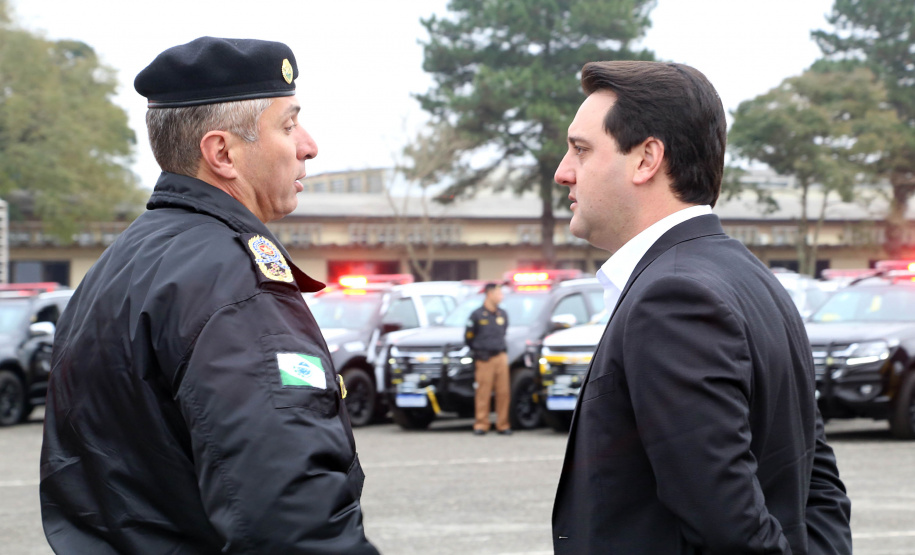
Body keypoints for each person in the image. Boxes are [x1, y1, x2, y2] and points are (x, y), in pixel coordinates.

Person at [39, 37, 378, 554]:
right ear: (222, 153)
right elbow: (289, 520)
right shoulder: (230, 282)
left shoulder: (122, 262)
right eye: (287, 125)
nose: (309, 145)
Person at [551, 61, 852, 554]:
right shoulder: (752, 278)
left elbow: (730, 531)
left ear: (646, 159)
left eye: (581, 150)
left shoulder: (672, 299)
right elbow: (817, 490)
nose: (563, 172)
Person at [465, 282, 511, 435]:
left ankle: (502, 424)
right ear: (489, 294)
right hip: (484, 359)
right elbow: (469, 337)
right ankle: (481, 424)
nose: (501, 296)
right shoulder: (477, 315)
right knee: (483, 393)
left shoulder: (502, 314)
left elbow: (504, 332)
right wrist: (479, 353)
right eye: (499, 293)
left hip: (500, 357)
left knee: (503, 393)